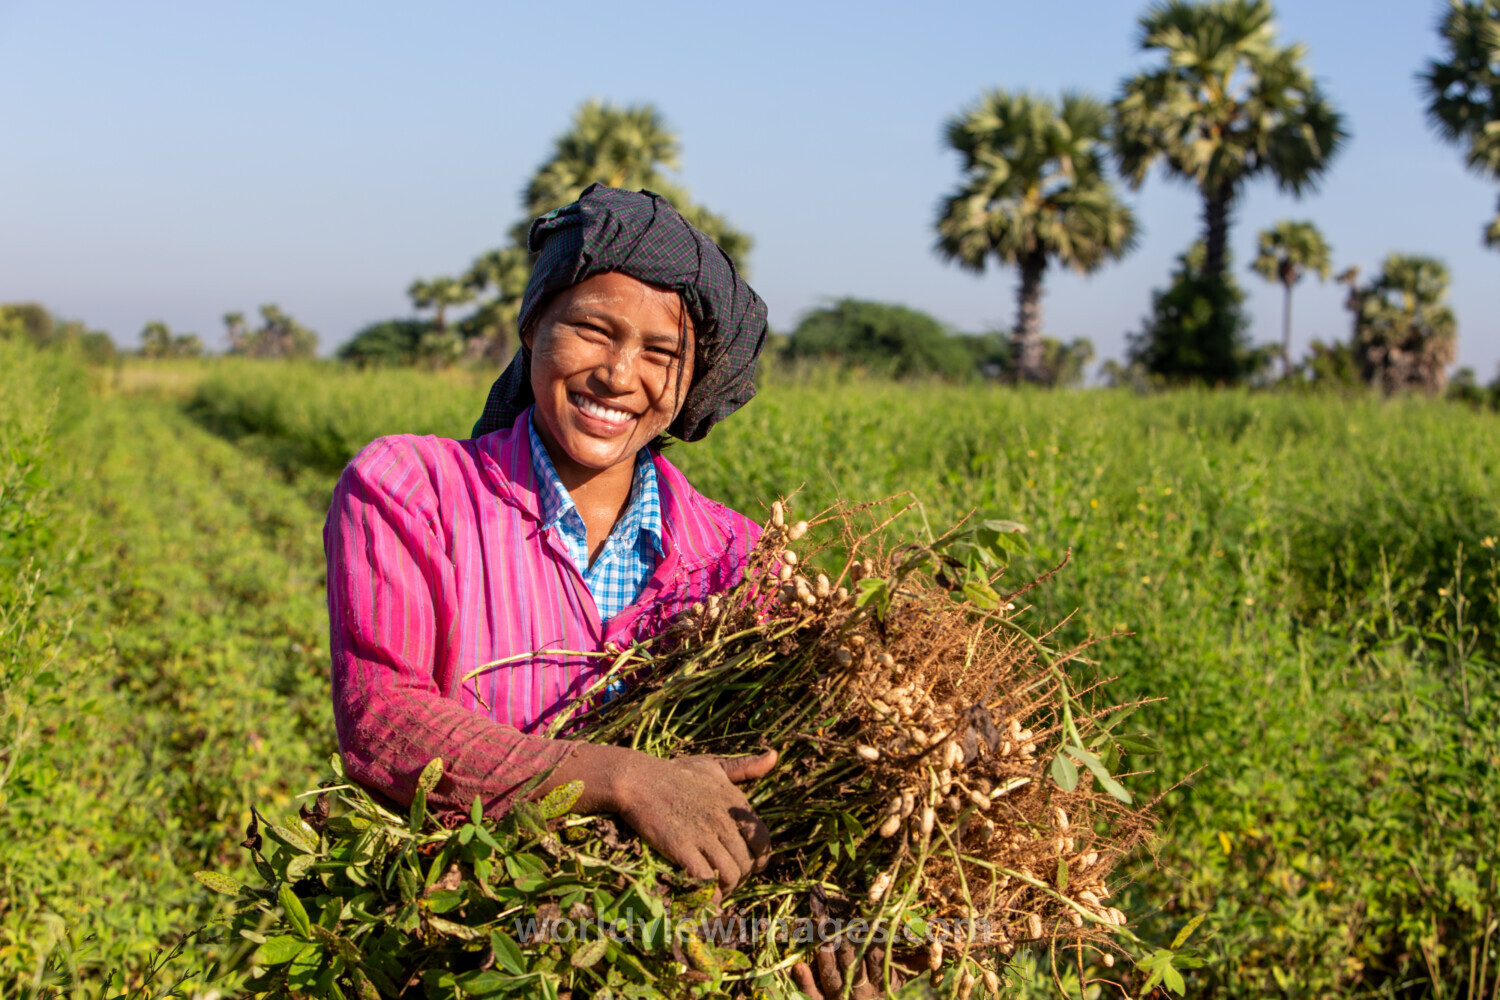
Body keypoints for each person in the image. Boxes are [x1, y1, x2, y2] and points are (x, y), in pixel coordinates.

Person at [325, 184, 875, 996]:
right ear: (533, 328)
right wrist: (621, 779)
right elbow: (385, 719)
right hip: (472, 952)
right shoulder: (412, 487)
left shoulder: (736, 555)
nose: (620, 374)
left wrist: (810, 889)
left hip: (675, 964)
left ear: (695, 381)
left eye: (662, 352)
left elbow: (781, 757)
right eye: (592, 329)